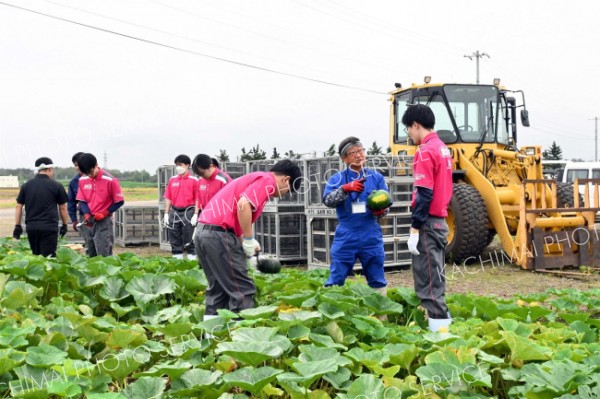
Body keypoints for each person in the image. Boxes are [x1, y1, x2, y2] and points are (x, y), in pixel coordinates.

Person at [195, 159, 301, 323]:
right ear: (286, 179)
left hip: (204, 232)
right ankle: (239, 341)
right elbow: (243, 205)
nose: (284, 194)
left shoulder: (252, 179)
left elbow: (234, 215)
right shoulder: (267, 181)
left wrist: (246, 244)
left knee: (218, 290)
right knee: (242, 290)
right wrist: (249, 239)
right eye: (288, 190)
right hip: (219, 236)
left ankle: (210, 339)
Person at [402, 104, 453, 332]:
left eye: (408, 129)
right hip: (440, 221)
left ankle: (441, 338)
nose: (409, 135)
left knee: (428, 283)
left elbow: (424, 193)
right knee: (436, 279)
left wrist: (414, 227)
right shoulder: (443, 148)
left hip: (428, 223)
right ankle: (442, 331)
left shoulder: (425, 151)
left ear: (416, 125)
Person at [322, 137, 391, 295]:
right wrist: (345, 189)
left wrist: (381, 211)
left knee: (377, 275)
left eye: (361, 150)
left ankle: (381, 314)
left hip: (371, 233)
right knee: (337, 276)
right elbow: (328, 200)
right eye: (353, 153)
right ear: (344, 159)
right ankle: (331, 312)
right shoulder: (337, 179)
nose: (359, 155)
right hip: (347, 234)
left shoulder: (376, 177)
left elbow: (386, 202)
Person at [13, 157, 69, 257]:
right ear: (50, 169)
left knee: (36, 257)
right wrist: (65, 225)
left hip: (32, 227)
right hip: (49, 227)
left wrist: (17, 226)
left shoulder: (26, 186)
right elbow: (63, 208)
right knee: (49, 258)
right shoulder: (57, 185)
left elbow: (18, 206)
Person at [76, 153, 124, 256]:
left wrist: (105, 212)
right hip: (89, 220)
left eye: (91, 171)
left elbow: (119, 201)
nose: (90, 175)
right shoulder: (82, 180)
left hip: (103, 221)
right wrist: (86, 213)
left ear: (96, 165)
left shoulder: (110, 180)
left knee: (103, 252)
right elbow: (82, 200)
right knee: (90, 252)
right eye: (87, 173)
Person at [163, 155, 198, 260]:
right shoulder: (172, 180)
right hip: (175, 211)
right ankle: (177, 262)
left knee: (190, 238)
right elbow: (168, 197)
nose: (178, 167)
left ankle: (192, 263)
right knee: (174, 237)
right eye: (177, 165)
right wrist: (166, 213)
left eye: (181, 165)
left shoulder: (194, 180)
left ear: (187, 165)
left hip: (189, 211)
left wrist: (196, 214)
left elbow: (198, 199)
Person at [191, 154, 232, 227]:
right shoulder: (201, 180)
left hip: (220, 222)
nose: (202, 176)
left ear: (211, 166)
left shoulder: (223, 180)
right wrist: (196, 214)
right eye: (199, 175)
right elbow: (199, 198)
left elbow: (230, 204)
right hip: (205, 220)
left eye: (203, 173)